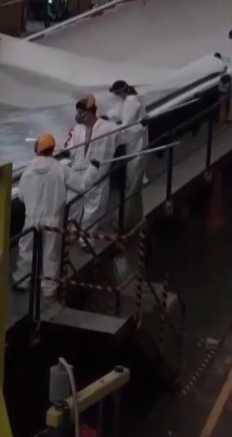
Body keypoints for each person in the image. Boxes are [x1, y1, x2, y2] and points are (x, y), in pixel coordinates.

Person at [14, 133, 68, 298]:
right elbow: (82, 184)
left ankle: (22, 280)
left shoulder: (28, 171)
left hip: (32, 218)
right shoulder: (60, 169)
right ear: (52, 150)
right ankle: (49, 288)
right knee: (50, 254)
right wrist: (94, 169)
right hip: (53, 219)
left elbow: (21, 196)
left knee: (26, 250)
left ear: (36, 150)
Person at [64, 94, 118, 231]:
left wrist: (141, 125)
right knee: (72, 205)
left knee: (93, 211)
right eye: (77, 112)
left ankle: (87, 237)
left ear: (89, 112)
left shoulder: (108, 128)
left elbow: (126, 134)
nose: (78, 115)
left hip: (97, 176)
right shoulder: (78, 129)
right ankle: (72, 233)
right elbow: (73, 149)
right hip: (78, 174)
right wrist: (67, 151)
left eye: (81, 112)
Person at [107, 80, 149, 193]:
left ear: (121, 92)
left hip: (134, 135)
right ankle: (138, 181)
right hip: (137, 133)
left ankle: (133, 186)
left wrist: (111, 129)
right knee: (137, 158)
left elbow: (126, 122)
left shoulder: (131, 102)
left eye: (116, 93)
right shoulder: (133, 99)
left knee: (134, 161)